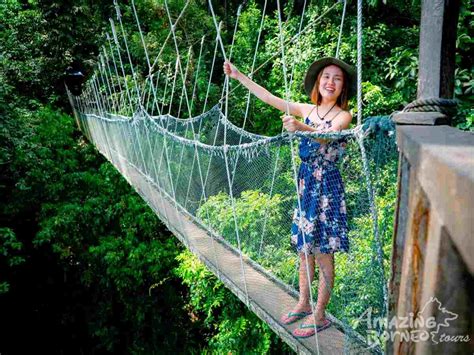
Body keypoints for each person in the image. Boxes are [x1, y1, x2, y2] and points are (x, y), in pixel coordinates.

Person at [224, 57, 356, 338]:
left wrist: (301, 127)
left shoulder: (344, 115)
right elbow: (269, 97)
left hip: (327, 191)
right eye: (326, 77)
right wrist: (239, 75)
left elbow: (328, 138)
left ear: (343, 87)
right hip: (306, 186)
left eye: (337, 78)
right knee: (304, 252)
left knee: (323, 254)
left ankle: (320, 315)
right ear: (318, 82)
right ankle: (303, 303)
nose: (330, 82)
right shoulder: (307, 108)